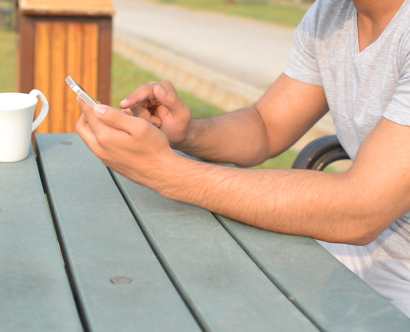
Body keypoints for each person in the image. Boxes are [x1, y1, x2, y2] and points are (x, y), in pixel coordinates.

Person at [76, 0, 410, 317]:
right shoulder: (331, 13)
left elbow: (361, 209)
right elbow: (267, 125)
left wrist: (166, 171)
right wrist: (186, 134)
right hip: (363, 250)